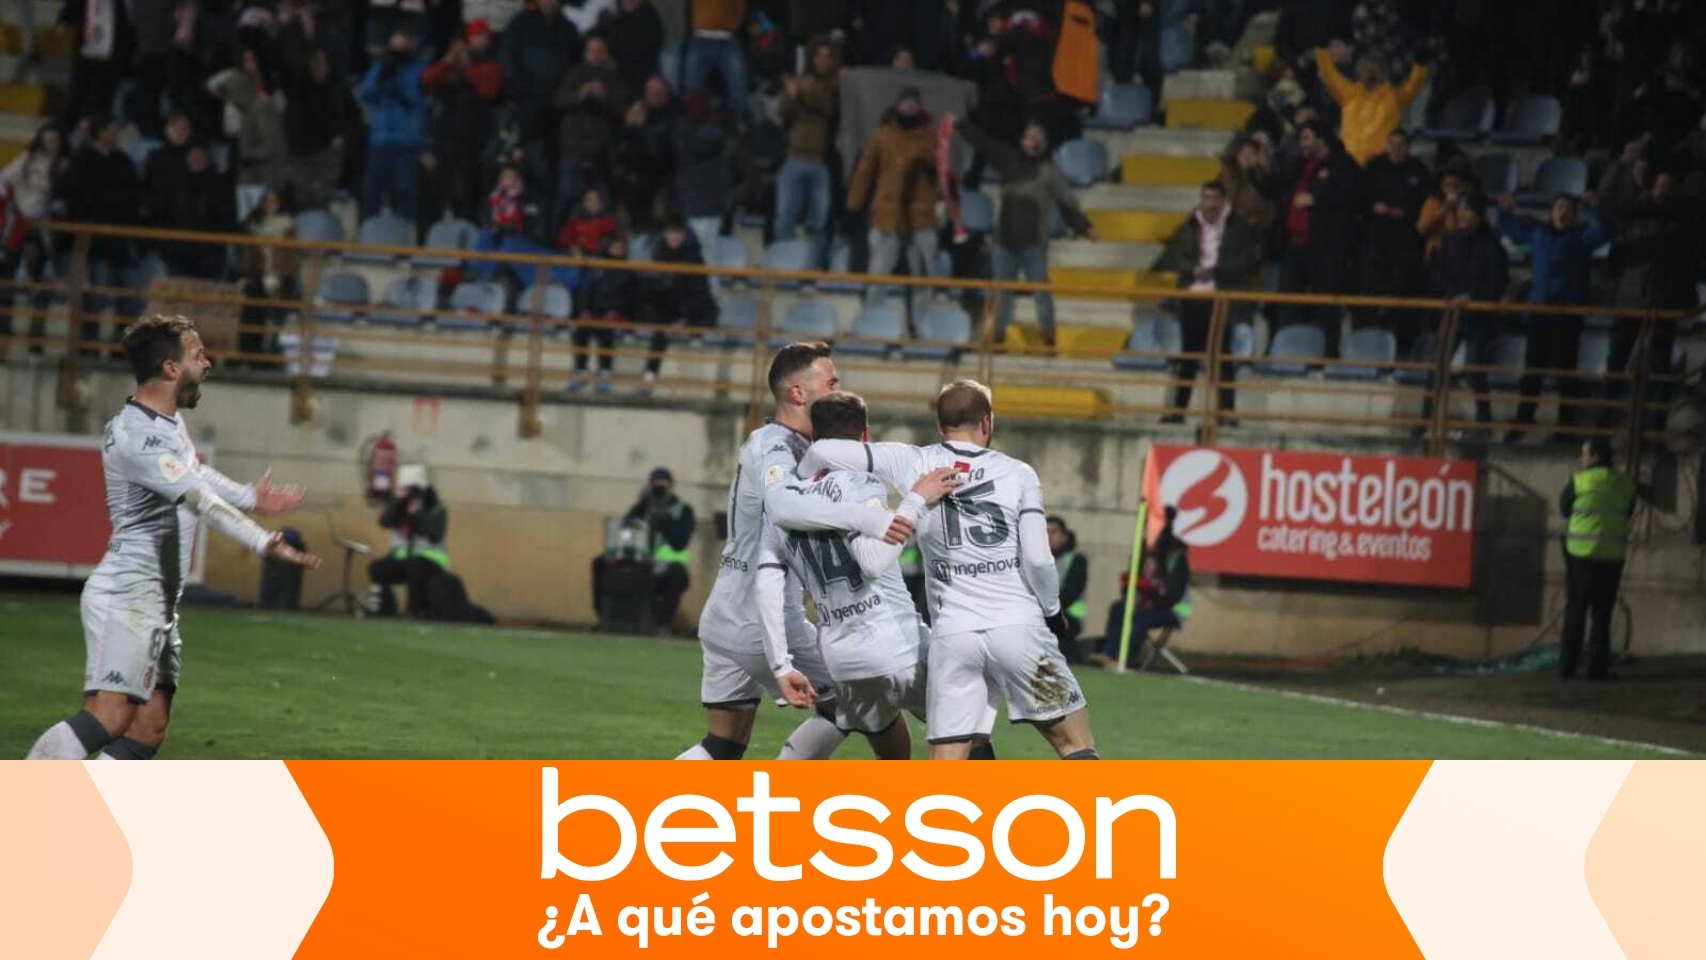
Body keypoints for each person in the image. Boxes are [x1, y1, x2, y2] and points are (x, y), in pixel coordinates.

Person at [24, 315, 319, 760]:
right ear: (169, 368)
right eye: (198, 354)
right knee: (109, 715)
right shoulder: (134, 435)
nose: (209, 362)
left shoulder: (166, 423)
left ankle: (84, 818)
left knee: (148, 729)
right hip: (128, 594)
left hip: (157, 602)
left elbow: (193, 472)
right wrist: (262, 542)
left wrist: (248, 496)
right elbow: (198, 498)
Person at [799, 380, 1101, 761]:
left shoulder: (912, 461)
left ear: (941, 426)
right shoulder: (1018, 473)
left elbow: (823, 449)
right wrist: (1053, 610)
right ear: (987, 423)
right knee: (1074, 743)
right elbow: (1039, 560)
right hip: (1017, 629)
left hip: (953, 637)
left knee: (950, 760)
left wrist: (801, 473)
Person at [676, 342, 915, 762]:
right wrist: (870, 517)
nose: (839, 386)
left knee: (723, 744)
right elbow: (785, 507)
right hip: (762, 618)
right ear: (798, 394)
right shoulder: (774, 445)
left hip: (728, 611)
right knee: (864, 705)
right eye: (831, 381)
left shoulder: (808, 448)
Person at [755, 393, 964, 759]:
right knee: (969, 729)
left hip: (844, 658)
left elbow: (767, 587)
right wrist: (914, 501)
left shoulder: (783, 500)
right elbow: (873, 561)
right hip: (898, 645)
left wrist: (780, 664)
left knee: (886, 743)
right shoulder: (859, 482)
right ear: (864, 436)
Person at [952, 116, 1097, 350]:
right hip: (1004, 243)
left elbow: (1067, 202)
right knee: (1002, 294)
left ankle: (1049, 337)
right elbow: (984, 143)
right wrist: (961, 125)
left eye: (1039, 139)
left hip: (1034, 245)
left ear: (1046, 144)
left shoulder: (1049, 172)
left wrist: (1084, 225)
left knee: (1040, 292)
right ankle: (997, 337)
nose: (1034, 143)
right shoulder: (1008, 161)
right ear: (1022, 141)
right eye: (1030, 137)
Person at [1497, 192, 1611, 441]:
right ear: (1552, 211)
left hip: (1568, 313)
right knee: (1532, 370)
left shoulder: (1581, 236)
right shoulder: (1539, 233)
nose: (1563, 212)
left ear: (1575, 213)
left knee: (1566, 372)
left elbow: (1605, 232)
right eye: (1559, 207)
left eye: (1568, 208)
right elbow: (1511, 229)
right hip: (1540, 312)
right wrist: (1504, 210)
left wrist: (1597, 208)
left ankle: (1566, 424)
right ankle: (1524, 417)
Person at [1154, 180, 1265, 421]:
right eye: (1206, 198)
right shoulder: (1189, 225)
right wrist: (1192, 269)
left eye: (1215, 198)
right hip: (1193, 297)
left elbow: (1247, 261)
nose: (1210, 204)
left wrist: (1215, 271)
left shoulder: (1239, 227)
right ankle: (1178, 411)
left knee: (1222, 357)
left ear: (1223, 201)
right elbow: (1175, 256)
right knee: (1189, 357)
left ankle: (1225, 412)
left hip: (1222, 297)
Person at [847, 88, 941, 323]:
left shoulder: (930, 138)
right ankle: (870, 322)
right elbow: (865, 170)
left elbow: (944, 174)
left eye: (914, 104)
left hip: (920, 216)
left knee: (923, 278)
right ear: (897, 105)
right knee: (878, 274)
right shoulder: (882, 135)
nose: (909, 108)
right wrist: (853, 205)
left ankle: (924, 328)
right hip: (887, 214)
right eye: (905, 103)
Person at [1279, 121, 1361, 358]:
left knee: (1325, 305)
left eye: (1306, 138)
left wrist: (1317, 198)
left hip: (1326, 249)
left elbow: (1352, 196)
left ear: (1321, 140)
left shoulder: (1343, 164)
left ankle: (1327, 355)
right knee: (1288, 302)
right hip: (1295, 245)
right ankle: (1288, 354)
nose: (1302, 143)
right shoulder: (1299, 165)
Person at [1559, 438, 1638, 681]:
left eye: (1584, 454)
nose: (1581, 460)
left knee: (1576, 610)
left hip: (1580, 555)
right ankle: (1596, 669)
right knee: (1602, 613)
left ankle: (1567, 668)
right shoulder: (1626, 484)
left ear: (1594, 457)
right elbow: (1628, 511)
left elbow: (1564, 508)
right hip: (1612, 557)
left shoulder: (1579, 480)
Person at [1426, 194, 1507, 428]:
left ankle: (1484, 421)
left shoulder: (1491, 245)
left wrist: (1472, 297)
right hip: (1451, 315)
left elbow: (1497, 281)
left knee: (1474, 371)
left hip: (1478, 319)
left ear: (1479, 216)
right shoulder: (1449, 240)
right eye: (1460, 210)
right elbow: (1437, 273)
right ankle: (1424, 420)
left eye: (1468, 210)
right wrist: (1450, 296)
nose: (1462, 215)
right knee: (1436, 368)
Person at [593, 467, 697, 631]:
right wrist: (642, 506)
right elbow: (626, 529)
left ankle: (664, 624)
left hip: (667, 566)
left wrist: (664, 521)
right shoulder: (642, 507)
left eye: (662, 486)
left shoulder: (683, 510)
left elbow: (681, 542)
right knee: (600, 564)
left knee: (676, 575)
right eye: (655, 486)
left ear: (671, 486)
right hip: (639, 563)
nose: (659, 491)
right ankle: (605, 617)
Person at [422, 20, 506, 224]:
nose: (480, 41)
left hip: (475, 138)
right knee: (438, 187)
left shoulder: (492, 63)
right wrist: (448, 61)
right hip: (447, 135)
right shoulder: (453, 64)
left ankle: (469, 233)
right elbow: (426, 79)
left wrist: (464, 64)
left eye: (484, 37)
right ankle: (428, 235)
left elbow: (489, 89)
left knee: (470, 188)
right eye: (477, 36)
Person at [1089, 507, 1191, 669]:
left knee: (1140, 618)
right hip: (1142, 603)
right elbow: (1131, 580)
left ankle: (1125, 660)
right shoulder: (1142, 549)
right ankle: (1108, 653)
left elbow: (1175, 592)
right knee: (1119, 608)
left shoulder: (1177, 554)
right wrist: (1130, 596)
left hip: (1170, 608)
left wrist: (1154, 604)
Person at [1358, 130, 1430, 349]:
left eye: (1401, 144)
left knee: (1405, 299)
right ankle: (1371, 346)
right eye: (1392, 144)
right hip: (1377, 244)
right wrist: (1374, 208)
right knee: (1374, 298)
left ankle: (1404, 348)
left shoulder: (1419, 171)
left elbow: (1425, 204)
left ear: (1408, 147)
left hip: (1407, 246)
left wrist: (1405, 213)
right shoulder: (1374, 167)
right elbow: (1361, 198)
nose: (1396, 149)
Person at [553, 34, 631, 225]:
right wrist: (580, 94)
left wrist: (604, 96)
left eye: (599, 51)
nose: (595, 55)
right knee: (566, 199)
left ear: (605, 54)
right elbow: (559, 102)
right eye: (591, 50)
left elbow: (622, 108)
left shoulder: (614, 78)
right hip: (573, 150)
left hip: (601, 154)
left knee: (603, 204)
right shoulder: (574, 75)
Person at [1314, 38, 1429, 165]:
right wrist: (1321, 50)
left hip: (1380, 166)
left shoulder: (1394, 98)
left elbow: (1415, 84)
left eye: (1376, 69)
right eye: (1367, 69)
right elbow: (1328, 74)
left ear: (1385, 72)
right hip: (1350, 164)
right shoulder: (1348, 94)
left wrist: (1420, 64)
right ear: (1360, 72)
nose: (1371, 73)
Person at [638, 220, 718, 391]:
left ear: (684, 235)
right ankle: (649, 376)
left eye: (677, 233)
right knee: (659, 329)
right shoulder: (659, 255)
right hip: (667, 310)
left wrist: (686, 319)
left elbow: (699, 294)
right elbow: (653, 290)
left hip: (691, 310)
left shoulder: (694, 258)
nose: (673, 237)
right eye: (670, 232)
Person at [775, 39, 840, 249]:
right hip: (794, 158)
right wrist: (792, 96)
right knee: (785, 215)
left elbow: (827, 107)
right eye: (819, 56)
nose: (822, 60)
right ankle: (783, 263)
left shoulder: (835, 84)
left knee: (819, 220)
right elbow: (783, 113)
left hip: (820, 162)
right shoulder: (802, 83)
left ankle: (814, 267)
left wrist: (802, 91)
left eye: (827, 57)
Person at [359, 32, 429, 219]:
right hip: (380, 139)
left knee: (405, 191)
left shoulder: (418, 69)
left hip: (407, 140)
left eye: (402, 46)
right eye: (394, 46)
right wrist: (383, 74)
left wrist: (397, 80)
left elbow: (415, 98)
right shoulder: (380, 66)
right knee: (372, 191)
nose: (397, 51)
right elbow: (366, 93)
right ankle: (367, 233)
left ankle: (405, 238)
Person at [367, 465, 450, 618]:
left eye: (411, 489)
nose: (409, 494)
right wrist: (398, 502)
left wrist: (417, 513)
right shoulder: (399, 506)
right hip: (403, 559)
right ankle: (385, 608)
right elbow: (384, 522)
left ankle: (414, 611)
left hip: (431, 561)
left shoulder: (436, 507)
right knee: (377, 568)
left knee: (414, 566)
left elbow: (435, 533)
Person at [236, 187, 300, 365]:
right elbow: (246, 255)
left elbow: (291, 258)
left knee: (276, 316)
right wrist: (246, 274)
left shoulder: (288, 227)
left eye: (274, 201)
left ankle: (269, 357)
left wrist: (279, 276)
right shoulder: (252, 226)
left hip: (281, 279)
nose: (270, 205)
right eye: (267, 201)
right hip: (256, 277)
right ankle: (249, 355)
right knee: (251, 310)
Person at [570, 232, 636, 392]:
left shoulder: (626, 270)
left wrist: (615, 311)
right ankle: (581, 370)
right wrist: (584, 310)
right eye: (615, 247)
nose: (618, 250)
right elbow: (585, 291)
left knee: (606, 331)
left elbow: (628, 296)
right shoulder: (596, 266)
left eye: (621, 247)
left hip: (614, 312)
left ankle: (605, 372)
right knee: (581, 331)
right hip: (593, 311)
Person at [683, 0, 749, 119]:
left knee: (738, 84)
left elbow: (741, 8)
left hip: (728, 39)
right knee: (692, 87)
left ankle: (740, 122)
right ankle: (693, 123)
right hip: (700, 38)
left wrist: (733, 26)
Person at [1049, 516, 1088, 663]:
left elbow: (1070, 593)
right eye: (1045, 532)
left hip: (1069, 615)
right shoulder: (1033, 559)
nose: (1048, 537)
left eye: (1053, 532)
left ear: (1064, 536)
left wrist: (1045, 608)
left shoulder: (1076, 560)